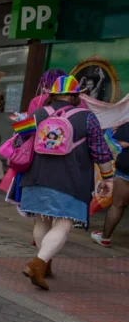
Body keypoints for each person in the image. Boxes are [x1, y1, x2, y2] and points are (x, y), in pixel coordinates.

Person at [16, 77, 113, 289]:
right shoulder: (88, 118)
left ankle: (45, 263)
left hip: (35, 176)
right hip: (71, 179)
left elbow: (19, 142)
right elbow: (100, 151)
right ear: (77, 96)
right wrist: (108, 178)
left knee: (42, 220)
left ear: (52, 94)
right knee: (65, 223)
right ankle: (38, 263)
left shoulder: (36, 114)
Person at [92, 121, 129, 247]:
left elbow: (124, 143)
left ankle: (105, 237)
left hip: (127, 168)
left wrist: (119, 130)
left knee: (118, 205)